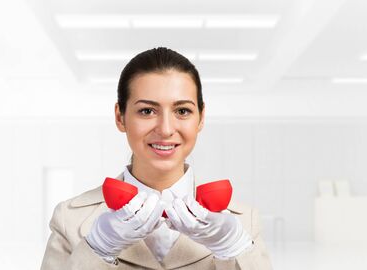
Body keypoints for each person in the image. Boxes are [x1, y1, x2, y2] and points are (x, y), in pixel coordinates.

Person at [40, 47, 273, 270]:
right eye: (147, 111)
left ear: (201, 118)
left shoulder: (242, 223)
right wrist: (96, 250)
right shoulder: (70, 219)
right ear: (120, 117)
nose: (165, 129)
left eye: (182, 111)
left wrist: (236, 250)